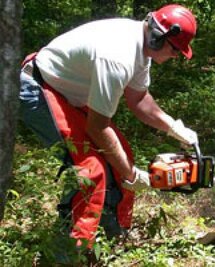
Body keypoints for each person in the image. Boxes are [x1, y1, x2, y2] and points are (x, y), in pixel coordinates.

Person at [19, 4, 198, 251]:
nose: (175, 55)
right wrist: (131, 175)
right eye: (175, 49)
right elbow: (98, 127)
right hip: (39, 88)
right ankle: (70, 252)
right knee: (90, 171)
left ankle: (110, 238)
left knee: (120, 154)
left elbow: (138, 99)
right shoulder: (118, 56)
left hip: (70, 95)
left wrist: (173, 126)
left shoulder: (141, 49)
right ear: (158, 38)